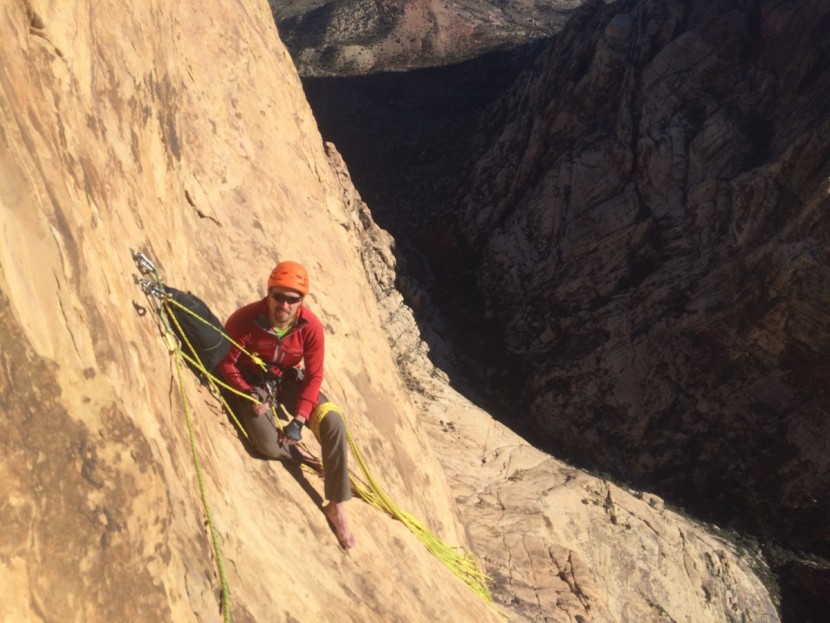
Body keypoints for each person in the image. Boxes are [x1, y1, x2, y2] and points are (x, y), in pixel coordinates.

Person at [217, 260, 356, 549]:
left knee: (333, 422)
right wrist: (247, 393)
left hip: (289, 381)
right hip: (254, 383)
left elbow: (315, 374)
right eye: (278, 296)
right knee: (267, 445)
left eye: (293, 299)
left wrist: (300, 418)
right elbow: (227, 364)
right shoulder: (245, 320)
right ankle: (299, 457)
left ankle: (336, 505)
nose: (284, 304)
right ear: (268, 294)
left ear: (301, 302)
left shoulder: (310, 327)